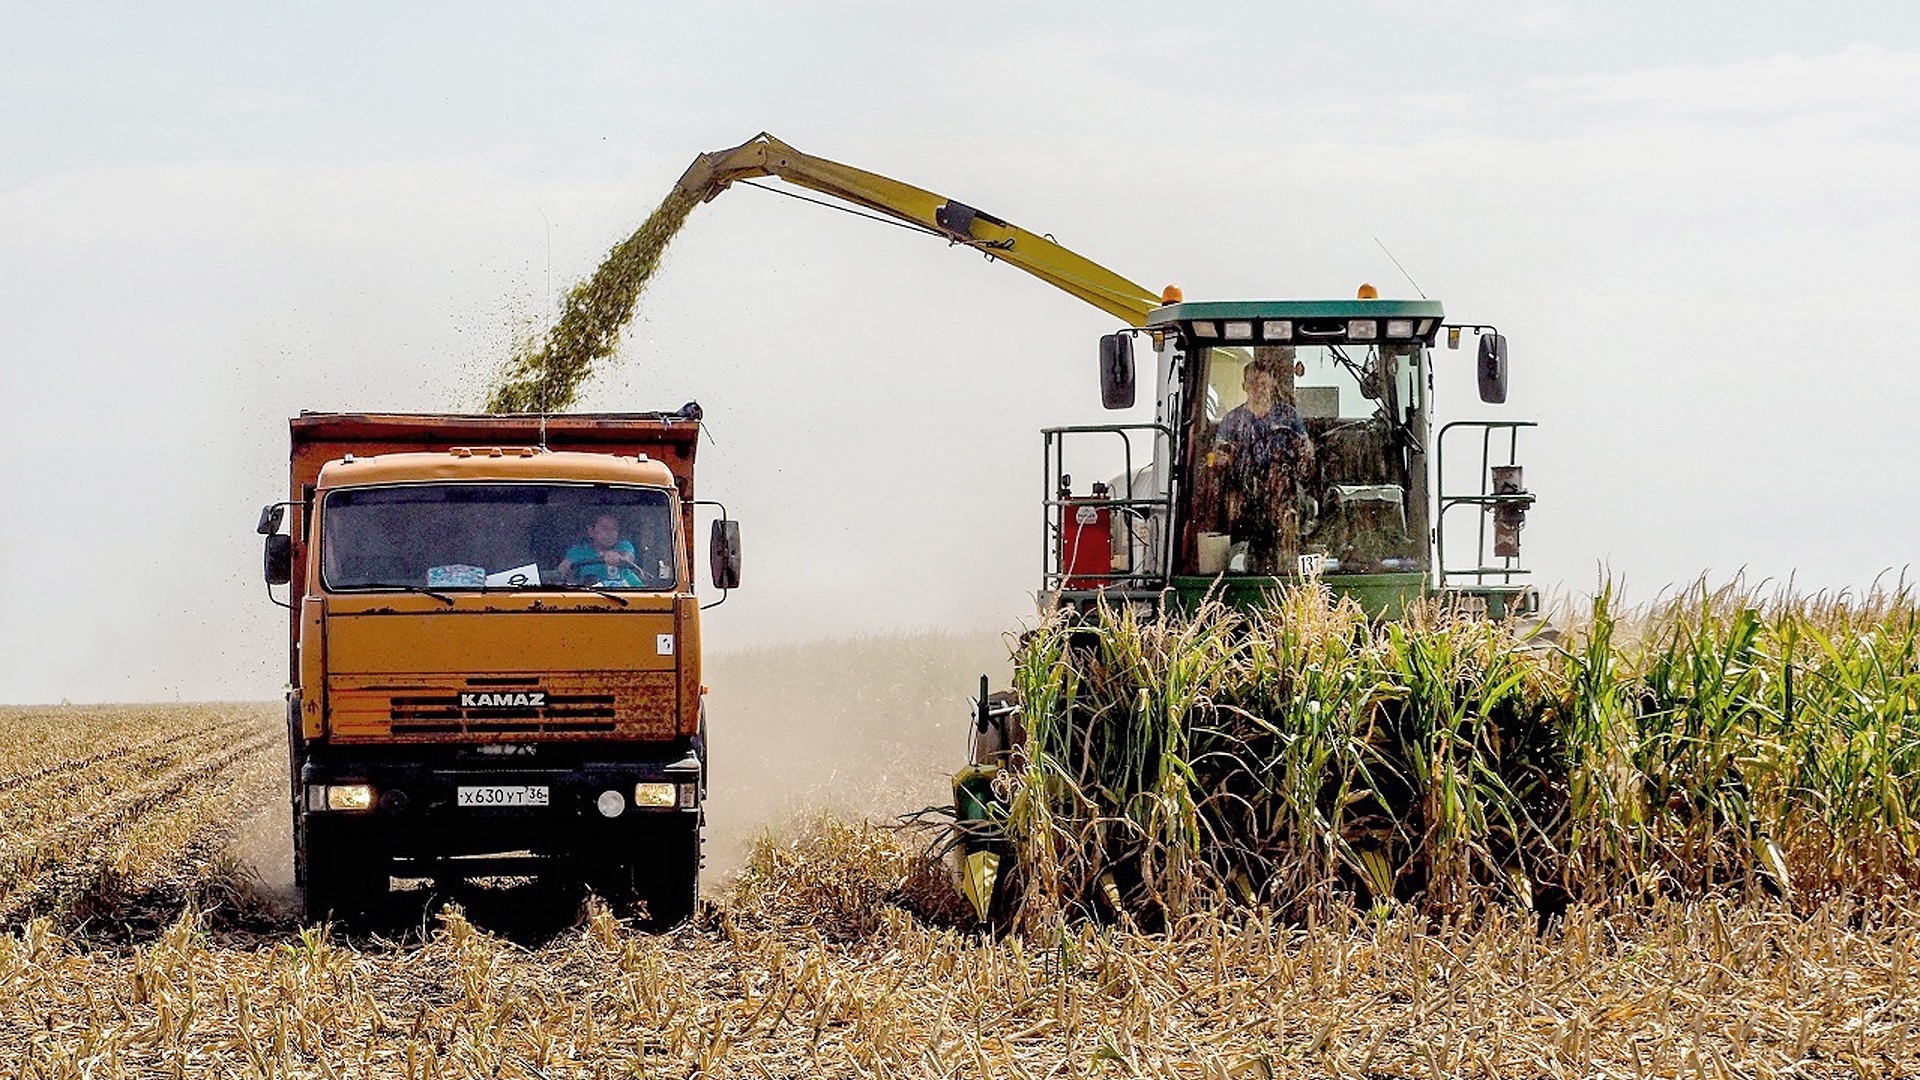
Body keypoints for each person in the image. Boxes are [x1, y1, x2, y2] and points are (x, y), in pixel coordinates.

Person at [1209, 350, 1314, 572]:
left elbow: (1306, 449)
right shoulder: (1232, 420)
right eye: (1254, 383)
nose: (1259, 388)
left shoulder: (1289, 416)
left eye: (1264, 384)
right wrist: (1221, 457)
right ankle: (1239, 556)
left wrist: (1303, 454)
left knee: (1295, 504)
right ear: (1244, 386)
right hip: (1244, 487)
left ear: (1273, 384)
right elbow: (1219, 453)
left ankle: (1291, 558)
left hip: (1284, 487)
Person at [558, 512, 662, 588]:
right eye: (604, 528)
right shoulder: (578, 552)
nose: (610, 532)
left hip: (627, 597)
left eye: (614, 528)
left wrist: (619, 558)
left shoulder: (624, 546)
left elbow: (628, 557)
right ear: (591, 531)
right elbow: (563, 570)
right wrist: (564, 569)